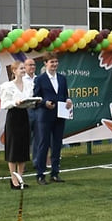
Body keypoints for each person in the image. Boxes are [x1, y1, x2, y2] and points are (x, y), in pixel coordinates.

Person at [0, 61, 36, 189]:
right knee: (13, 148)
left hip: (24, 116)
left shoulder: (28, 84)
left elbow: (30, 98)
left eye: (24, 68)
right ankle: (13, 179)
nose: (23, 70)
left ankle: (20, 178)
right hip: (13, 117)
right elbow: (4, 104)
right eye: (21, 68)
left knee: (23, 148)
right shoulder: (7, 86)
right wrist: (15, 102)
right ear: (14, 71)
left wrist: (31, 102)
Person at [33, 55, 70, 184]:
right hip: (45, 116)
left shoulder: (62, 78)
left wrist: (69, 101)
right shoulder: (40, 79)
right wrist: (44, 103)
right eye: (51, 62)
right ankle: (40, 174)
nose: (54, 64)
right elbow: (36, 98)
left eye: (56, 61)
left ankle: (55, 173)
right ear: (45, 63)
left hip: (60, 115)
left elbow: (65, 95)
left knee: (57, 144)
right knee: (43, 144)